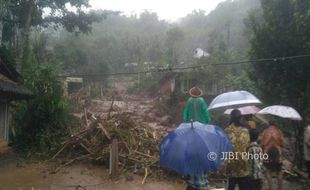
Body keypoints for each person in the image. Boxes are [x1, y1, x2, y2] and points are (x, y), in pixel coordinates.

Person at [224, 109, 251, 190]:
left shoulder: (226, 131)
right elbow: (247, 146)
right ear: (240, 118)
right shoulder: (245, 131)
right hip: (243, 163)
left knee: (230, 185)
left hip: (231, 163)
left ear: (231, 118)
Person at [260, 121, 284, 190]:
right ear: (275, 125)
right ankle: (280, 188)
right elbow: (283, 144)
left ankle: (270, 188)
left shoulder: (265, 131)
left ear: (269, 125)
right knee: (279, 172)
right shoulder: (279, 131)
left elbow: (262, 144)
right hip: (278, 153)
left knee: (268, 171)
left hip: (267, 152)